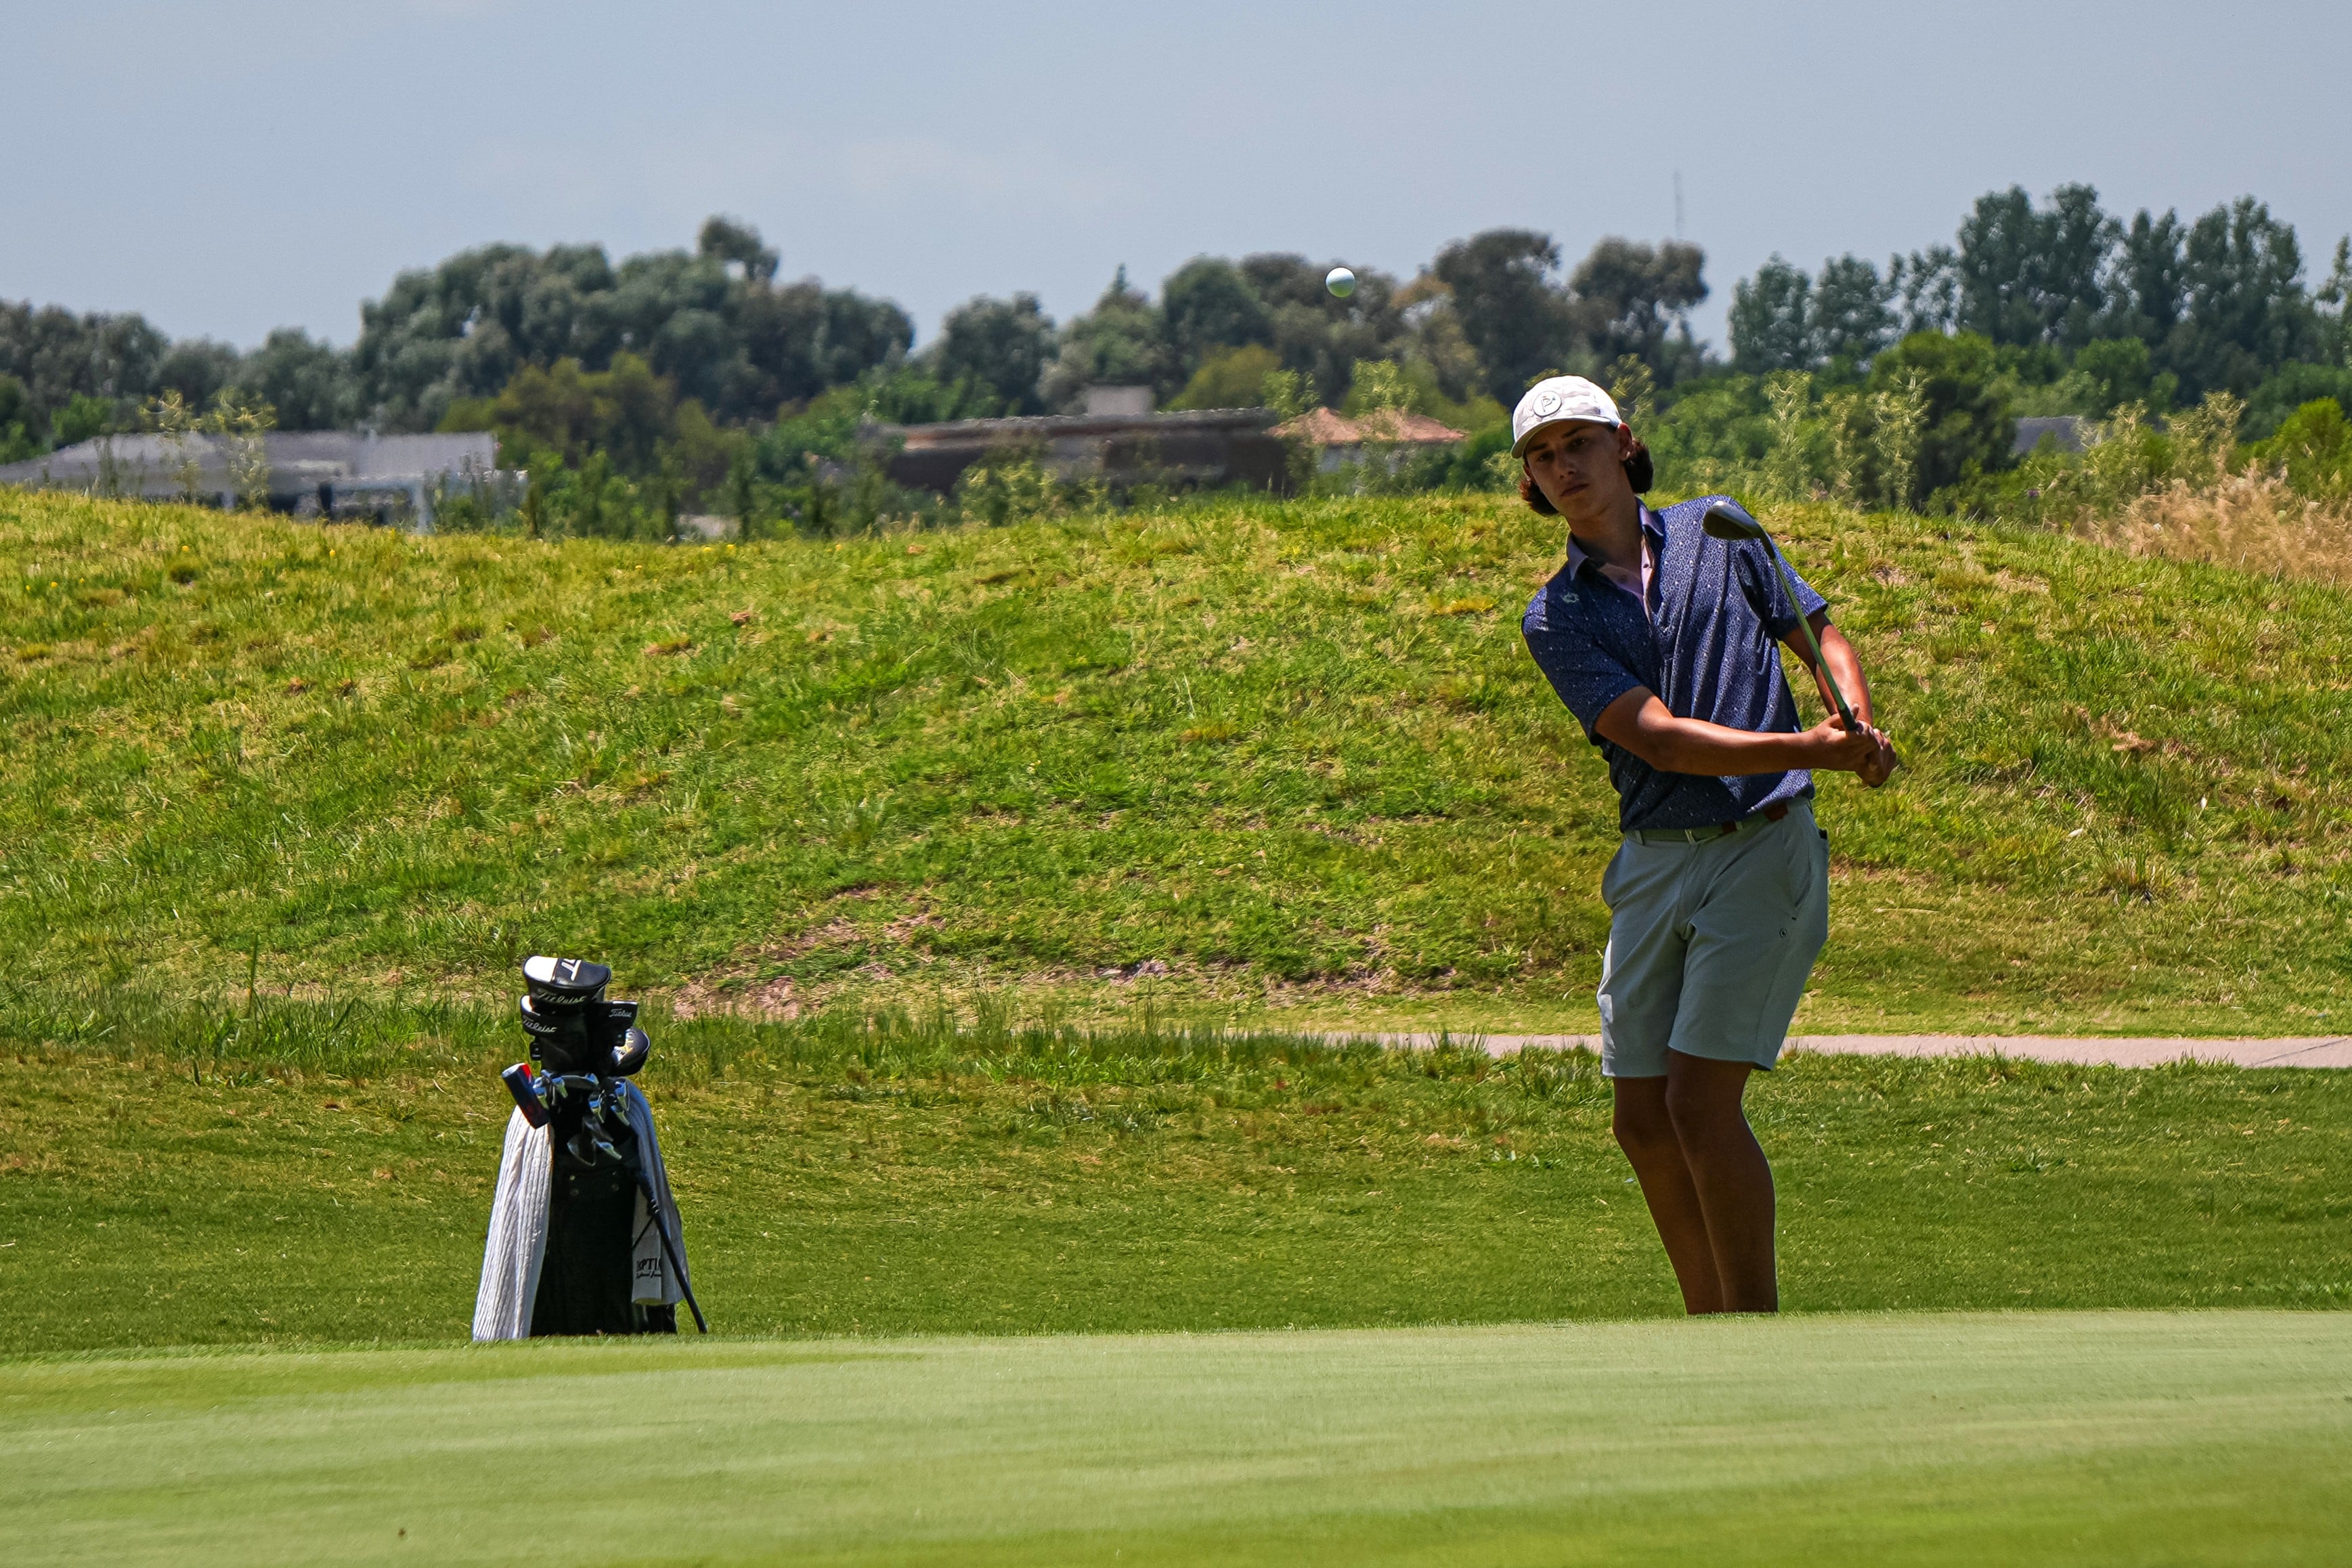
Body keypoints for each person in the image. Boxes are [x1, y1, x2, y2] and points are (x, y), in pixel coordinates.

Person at [1514, 375, 1896, 1315]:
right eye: (1542, 454)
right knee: (1640, 1118)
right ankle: (1708, 1324)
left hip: (1759, 846)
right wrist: (1812, 747)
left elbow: (1816, 631)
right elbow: (1658, 738)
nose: (1564, 466)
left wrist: (1853, 713)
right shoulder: (1553, 616)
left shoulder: (1718, 531)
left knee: (1696, 1105)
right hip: (1651, 857)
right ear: (1529, 479)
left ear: (1622, 443)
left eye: (1578, 443)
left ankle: (1750, 1330)